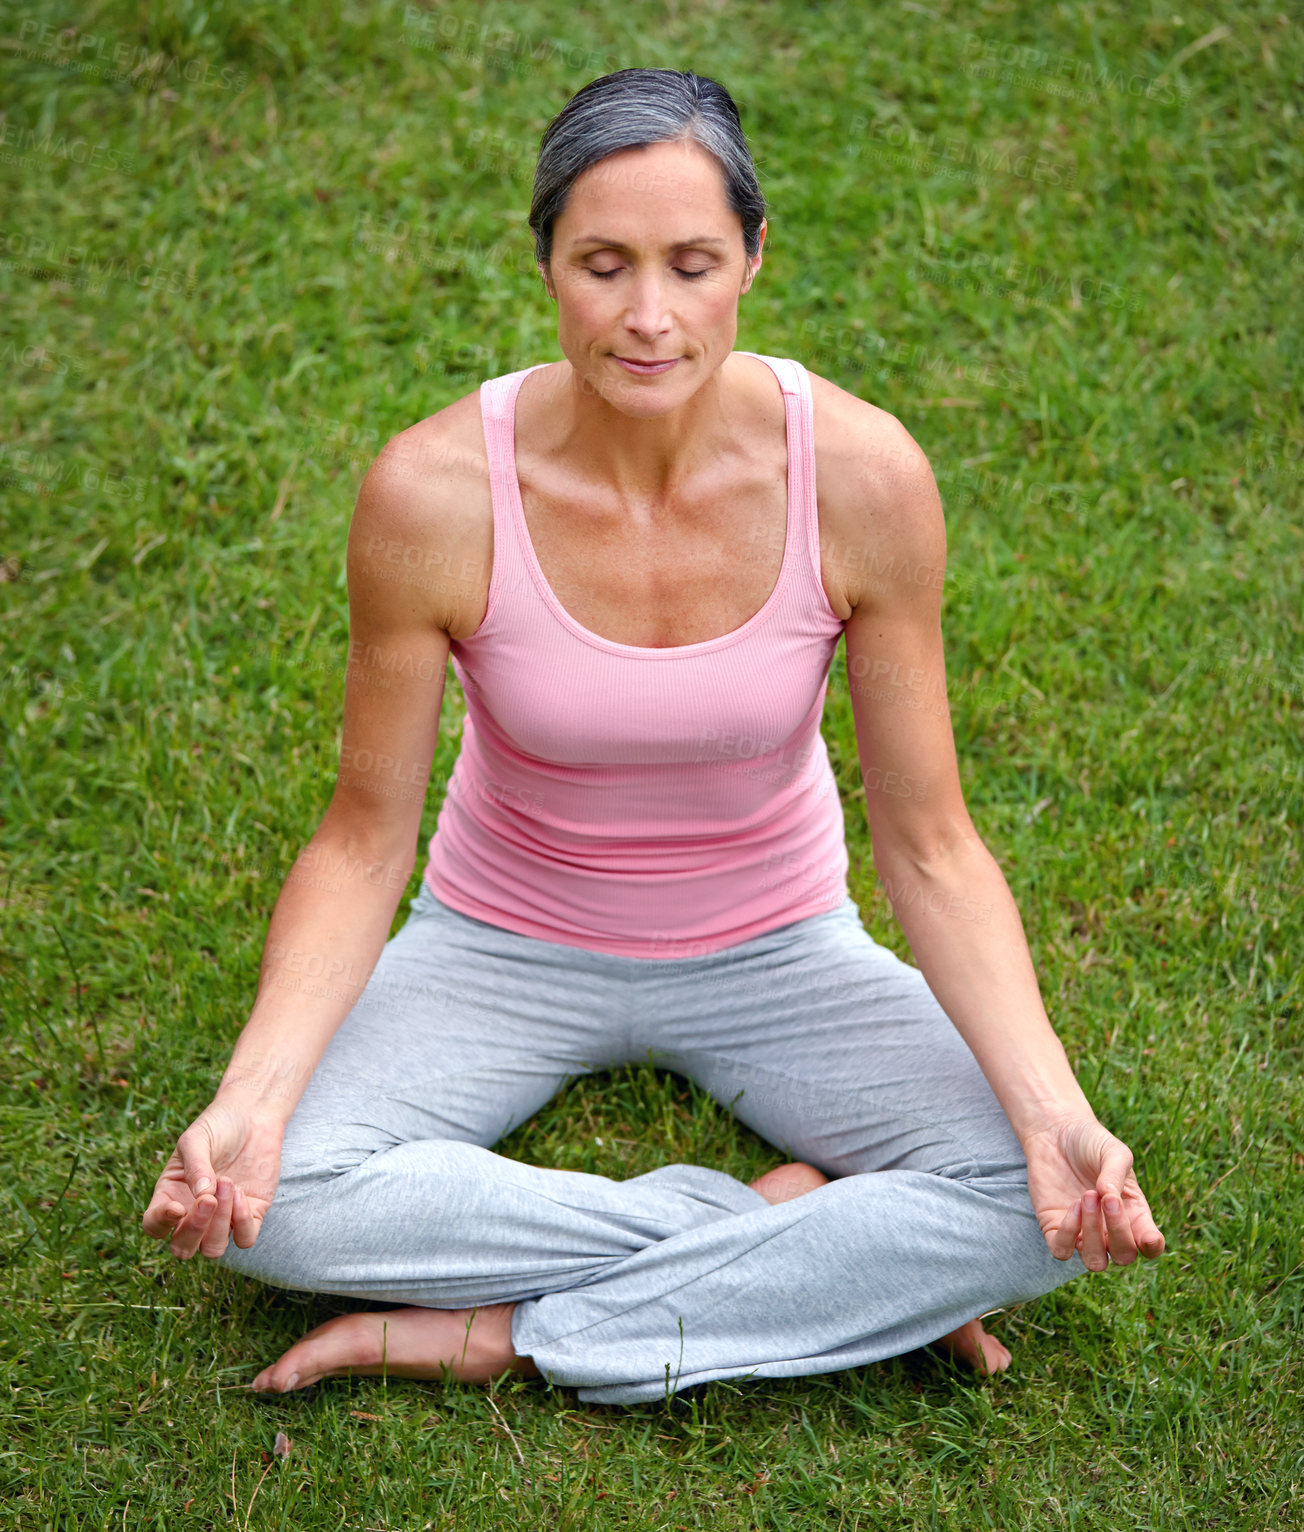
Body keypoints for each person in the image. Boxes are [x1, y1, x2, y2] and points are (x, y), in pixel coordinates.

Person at [140, 68, 1165, 1407]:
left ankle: (506, 1333)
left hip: (779, 947)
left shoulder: (862, 478)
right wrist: (249, 1100)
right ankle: (803, 1260)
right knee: (284, 1200)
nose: (646, 317)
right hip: (500, 942)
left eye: (691, 265)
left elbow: (930, 841)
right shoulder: (433, 494)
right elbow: (360, 839)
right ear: (546, 267)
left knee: (1042, 1196)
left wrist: (1053, 1110)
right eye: (602, 265)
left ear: (752, 259)